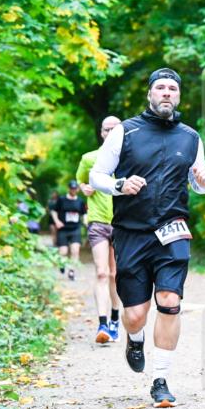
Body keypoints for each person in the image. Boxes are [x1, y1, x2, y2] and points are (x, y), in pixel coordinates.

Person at [90, 67, 205, 408]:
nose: (166, 93)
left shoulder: (191, 137)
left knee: (170, 302)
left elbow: (199, 183)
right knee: (134, 314)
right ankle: (134, 338)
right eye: (160, 87)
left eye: (172, 88)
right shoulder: (125, 132)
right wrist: (119, 185)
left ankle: (161, 380)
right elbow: (96, 174)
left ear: (178, 96)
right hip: (131, 232)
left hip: (173, 230)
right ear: (149, 94)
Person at [76, 115, 123, 344]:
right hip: (97, 222)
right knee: (102, 272)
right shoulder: (89, 159)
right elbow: (81, 182)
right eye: (107, 129)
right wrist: (84, 187)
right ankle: (102, 324)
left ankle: (115, 318)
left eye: (116, 129)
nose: (111, 133)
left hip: (122, 223)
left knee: (116, 275)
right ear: (101, 133)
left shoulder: (129, 159)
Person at [50, 179, 87, 280]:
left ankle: (71, 272)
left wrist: (86, 222)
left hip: (75, 229)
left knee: (75, 251)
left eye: (75, 188)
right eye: (72, 188)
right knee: (63, 252)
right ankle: (61, 264)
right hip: (63, 229)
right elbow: (53, 211)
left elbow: (84, 214)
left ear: (78, 189)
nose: (73, 190)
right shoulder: (61, 200)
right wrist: (57, 221)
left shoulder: (80, 201)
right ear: (69, 189)